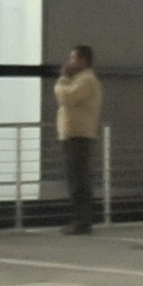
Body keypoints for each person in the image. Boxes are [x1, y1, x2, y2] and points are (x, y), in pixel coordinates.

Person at [54, 42, 107, 236]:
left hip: (80, 136)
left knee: (79, 181)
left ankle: (82, 222)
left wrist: (62, 79)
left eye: (73, 58)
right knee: (75, 179)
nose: (70, 62)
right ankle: (79, 220)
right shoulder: (81, 79)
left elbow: (66, 97)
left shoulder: (86, 80)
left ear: (84, 61)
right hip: (73, 135)